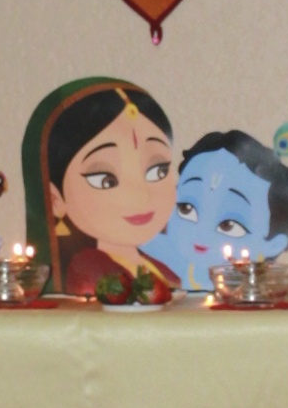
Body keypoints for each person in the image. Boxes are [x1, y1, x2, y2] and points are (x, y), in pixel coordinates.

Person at [21, 77, 177, 299]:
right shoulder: (90, 271)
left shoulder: (162, 271)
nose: (141, 196)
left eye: (158, 171)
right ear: (55, 199)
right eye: (106, 180)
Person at [150, 127, 288, 290]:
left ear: (274, 244)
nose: (201, 231)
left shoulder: (252, 288)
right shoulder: (156, 254)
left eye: (229, 225)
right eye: (186, 209)